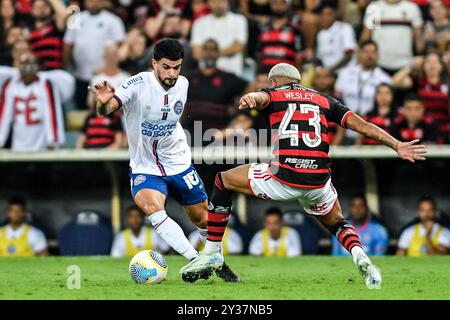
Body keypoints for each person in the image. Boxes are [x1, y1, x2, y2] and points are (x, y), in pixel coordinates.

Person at [181, 62, 427, 289]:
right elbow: (359, 123)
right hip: (319, 180)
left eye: (270, 84)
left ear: (275, 82)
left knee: (223, 180)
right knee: (338, 222)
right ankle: (362, 257)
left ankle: (212, 251)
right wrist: (396, 144)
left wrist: (251, 97)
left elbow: (261, 97)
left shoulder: (275, 93)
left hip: (285, 176)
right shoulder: (323, 99)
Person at [89, 38, 239, 282]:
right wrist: (103, 103)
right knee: (153, 208)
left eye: (177, 67)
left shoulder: (184, 84)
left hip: (177, 159)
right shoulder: (136, 84)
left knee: (203, 217)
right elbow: (108, 108)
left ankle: (215, 259)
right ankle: (195, 260)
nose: (172, 73)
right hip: (145, 164)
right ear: (154, 63)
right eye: (166, 67)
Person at [0, 52, 74, 151]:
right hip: (18, 143)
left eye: (30, 65)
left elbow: (51, 113)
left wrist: (53, 140)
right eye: (23, 65)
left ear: (37, 67)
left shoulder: (46, 84)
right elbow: (5, 115)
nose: (27, 69)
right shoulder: (10, 85)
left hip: (41, 142)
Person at [63, 0, 126, 109]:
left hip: (103, 77)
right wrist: (67, 67)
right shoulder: (75, 19)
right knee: (81, 110)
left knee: (103, 110)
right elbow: (67, 45)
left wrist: (107, 68)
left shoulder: (113, 20)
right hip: (79, 75)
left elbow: (119, 48)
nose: (94, 3)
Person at [182, 39, 249, 142]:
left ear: (218, 53)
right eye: (206, 49)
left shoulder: (228, 78)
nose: (209, 53)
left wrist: (237, 108)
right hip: (190, 132)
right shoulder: (189, 77)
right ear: (202, 53)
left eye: (213, 50)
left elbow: (251, 87)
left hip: (218, 134)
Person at [335, 40, 392, 142]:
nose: (369, 55)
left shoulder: (384, 79)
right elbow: (336, 99)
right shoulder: (345, 74)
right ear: (359, 53)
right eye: (366, 51)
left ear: (378, 55)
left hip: (370, 133)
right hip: (344, 128)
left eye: (373, 52)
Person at [392, 53, 449, 141]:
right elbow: (395, 82)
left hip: (445, 130)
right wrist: (412, 65)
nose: (431, 65)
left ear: (441, 66)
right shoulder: (417, 82)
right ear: (423, 66)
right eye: (428, 62)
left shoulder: (447, 84)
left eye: (435, 62)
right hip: (423, 131)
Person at [360, 0, 423, 75]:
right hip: (378, 64)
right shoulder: (375, 7)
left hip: (405, 65)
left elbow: (419, 40)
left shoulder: (412, 8)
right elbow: (365, 38)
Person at [190, 0, 248, 76]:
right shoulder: (199, 23)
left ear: (227, 2)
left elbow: (238, 47)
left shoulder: (239, 20)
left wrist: (209, 54)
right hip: (206, 74)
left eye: (221, 1)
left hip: (232, 72)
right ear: (209, 3)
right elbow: (197, 54)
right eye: (214, 2)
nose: (218, 5)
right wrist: (227, 52)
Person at [256, 0, 304, 70]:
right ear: (271, 6)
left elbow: (299, 55)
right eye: (275, 3)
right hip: (265, 71)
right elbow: (258, 53)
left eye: (282, 3)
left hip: (286, 71)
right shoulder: (263, 28)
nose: (278, 6)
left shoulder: (295, 29)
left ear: (287, 6)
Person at [26, 0, 69, 70]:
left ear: (50, 8)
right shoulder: (28, 30)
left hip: (55, 72)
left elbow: (63, 14)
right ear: (31, 10)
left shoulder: (56, 26)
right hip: (36, 73)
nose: (41, 9)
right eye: (37, 7)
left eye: (44, 6)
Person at [315, 1, 357, 72]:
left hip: (345, 72)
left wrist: (330, 70)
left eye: (329, 14)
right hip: (327, 74)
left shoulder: (345, 28)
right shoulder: (320, 34)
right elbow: (320, 58)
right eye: (323, 14)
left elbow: (349, 56)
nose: (325, 18)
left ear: (335, 15)